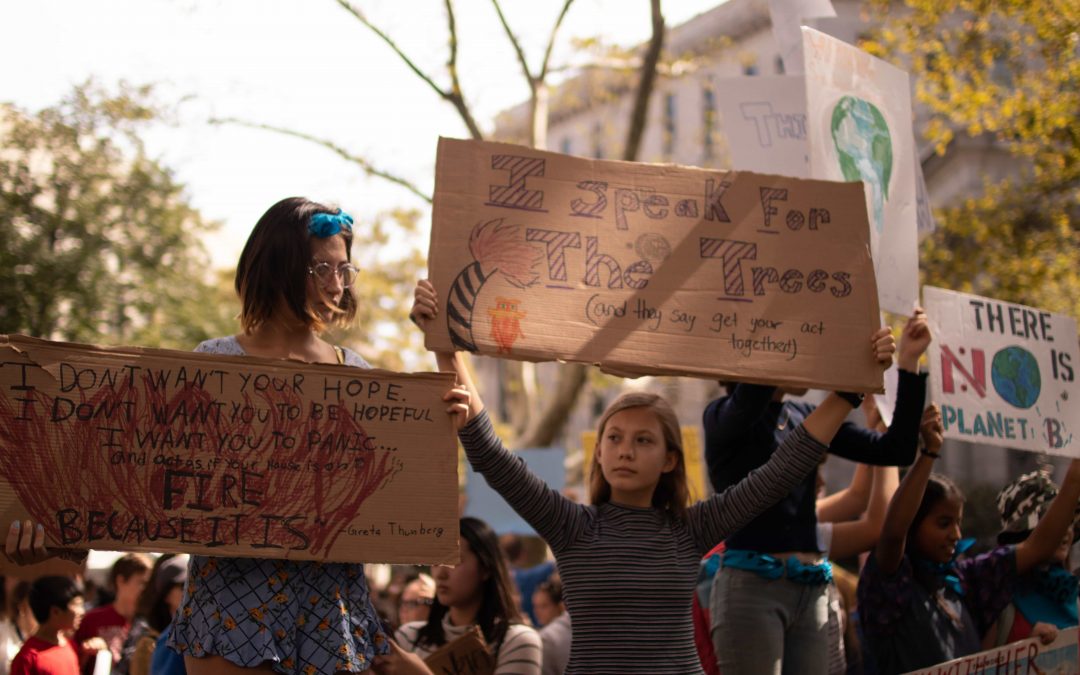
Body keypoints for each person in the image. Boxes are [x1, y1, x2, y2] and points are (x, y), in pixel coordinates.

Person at [5, 198, 449, 674]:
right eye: (322, 267)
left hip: (329, 611)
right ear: (278, 267)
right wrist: (59, 531)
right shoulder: (210, 364)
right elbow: (145, 491)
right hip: (232, 609)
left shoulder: (357, 375)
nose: (337, 284)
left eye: (344, 269)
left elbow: (383, 499)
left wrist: (443, 417)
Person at [411, 279, 894, 673]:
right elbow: (495, 459)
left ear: (668, 459)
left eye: (643, 440)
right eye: (615, 438)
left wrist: (848, 394)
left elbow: (779, 471)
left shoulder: (692, 528)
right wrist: (443, 347)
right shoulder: (571, 525)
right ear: (598, 454)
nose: (625, 451)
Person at [706, 311, 930, 675]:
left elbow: (896, 450)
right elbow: (749, 401)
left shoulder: (804, 414)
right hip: (751, 591)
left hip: (810, 590)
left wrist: (908, 362)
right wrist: (780, 324)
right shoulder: (721, 417)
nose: (804, 351)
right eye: (793, 344)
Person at [857, 406, 1080, 674]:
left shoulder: (964, 583)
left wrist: (1075, 475)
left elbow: (1037, 547)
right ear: (913, 525)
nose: (956, 534)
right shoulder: (890, 589)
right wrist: (929, 453)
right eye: (943, 523)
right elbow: (892, 534)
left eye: (958, 523)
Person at [393, 518, 542, 673]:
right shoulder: (409, 637)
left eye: (454, 560)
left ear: (485, 568)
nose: (440, 573)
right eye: (436, 560)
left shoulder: (516, 641)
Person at [985, 469, 1080, 648]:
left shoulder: (1074, 592)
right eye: (1051, 522)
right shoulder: (997, 601)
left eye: (1068, 522)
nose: (1065, 531)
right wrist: (1024, 651)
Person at [74, 552, 151, 671]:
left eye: (149, 584)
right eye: (142, 582)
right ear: (121, 581)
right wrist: (86, 652)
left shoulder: (149, 624)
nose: (146, 589)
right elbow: (73, 664)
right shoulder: (91, 620)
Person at [119, 554, 189, 675]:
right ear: (166, 595)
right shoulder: (150, 643)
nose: (191, 591)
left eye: (195, 584)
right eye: (184, 586)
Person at [9, 576, 84, 675]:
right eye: (77, 605)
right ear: (55, 611)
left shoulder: (70, 646)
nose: (82, 611)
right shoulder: (27, 659)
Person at [533, 579, 570, 675]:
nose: (537, 611)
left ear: (561, 606)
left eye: (544, 606)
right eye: (535, 606)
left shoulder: (546, 637)